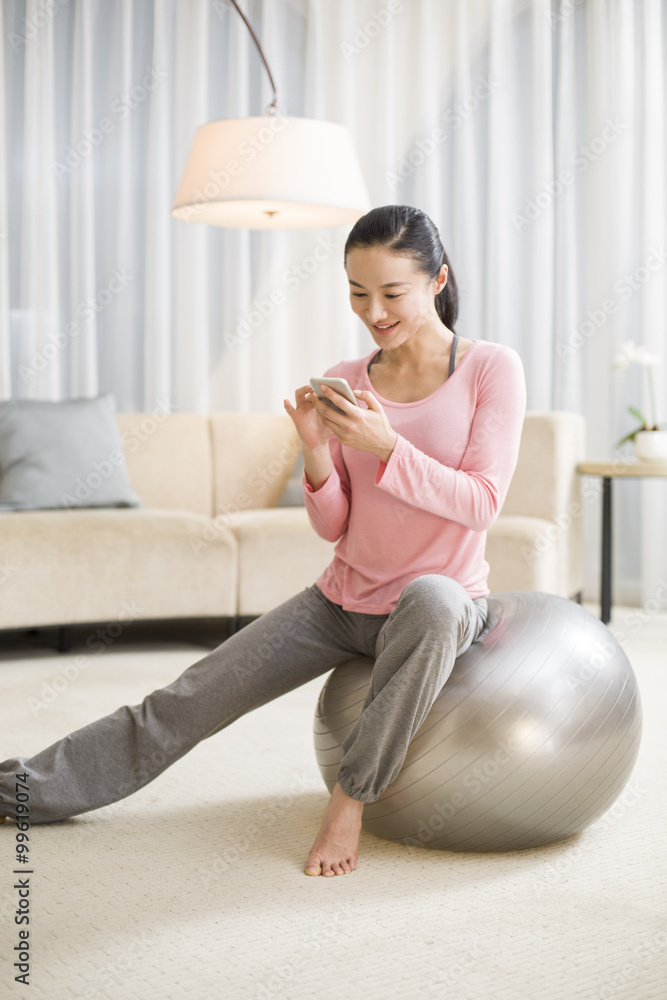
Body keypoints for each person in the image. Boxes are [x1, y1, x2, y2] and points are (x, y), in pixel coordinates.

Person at [0, 205, 526, 878]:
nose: (374, 311)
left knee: (432, 599)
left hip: (439, 606)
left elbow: (481, 503)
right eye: (357, 293)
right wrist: (314, 453)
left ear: (437, 280)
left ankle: (348, 802)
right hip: (341, 601)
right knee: (188, 697)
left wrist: (386, 445)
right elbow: (335, 525)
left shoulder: (488, 368)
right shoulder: (350, 376)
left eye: (391, 293)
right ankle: (23, 787)